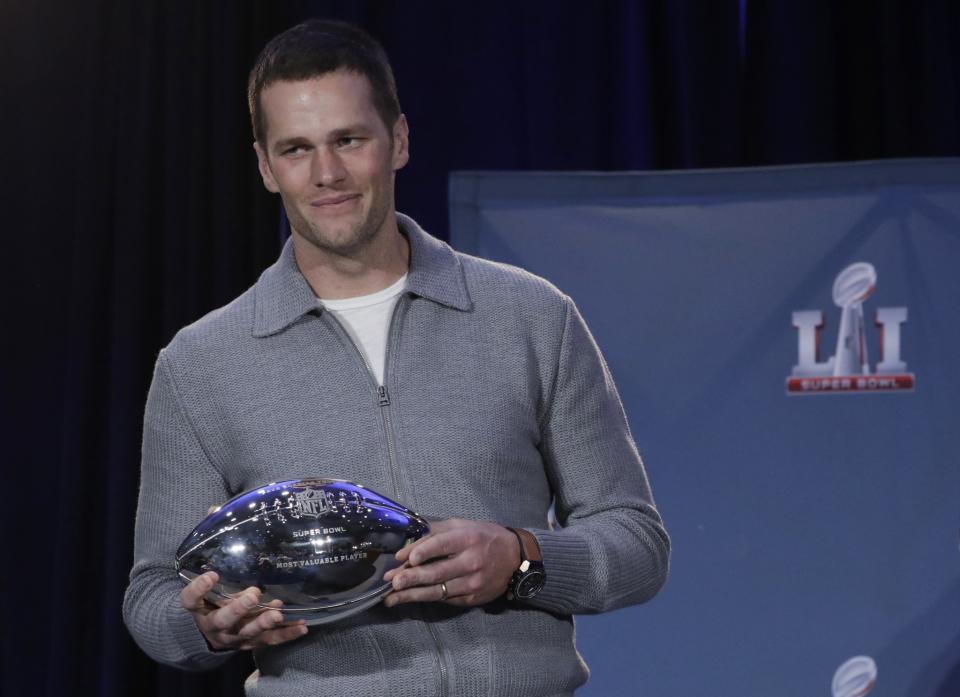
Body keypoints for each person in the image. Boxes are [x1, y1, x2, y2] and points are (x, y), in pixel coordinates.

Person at [123, 18, 670, 697]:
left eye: (349, 139)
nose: (327, 173)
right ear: (265, 166)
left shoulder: (531, 316)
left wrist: (521, 558)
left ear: (399, 140)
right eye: (296, 149)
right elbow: (152, 593)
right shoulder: (199, 364)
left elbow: (637, 544)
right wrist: (204, 625)